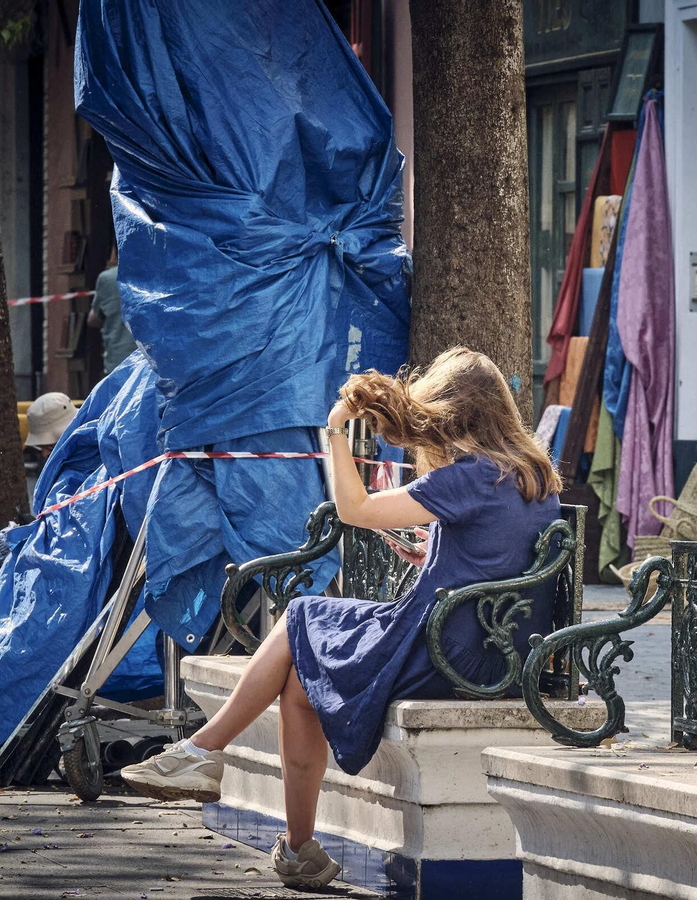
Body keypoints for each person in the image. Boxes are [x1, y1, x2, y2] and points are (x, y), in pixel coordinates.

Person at [119, 348, 562, 890]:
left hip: (445, 650)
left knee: (301, 614)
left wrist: (335, 432)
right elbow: (498, 549)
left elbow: (354, 512)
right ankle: (299, 847)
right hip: (487, 647)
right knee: (300, 685)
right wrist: (431, 556)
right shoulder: (532, 473)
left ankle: (204, 750)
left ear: (453, 412)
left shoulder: (472, 476)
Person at [87, 247, 135, 375]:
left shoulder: (107, 278)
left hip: (118, 358)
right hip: (150, 361)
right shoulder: (156, 275)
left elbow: (93, 319)